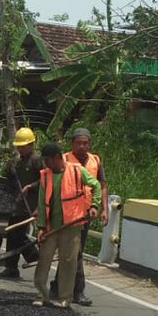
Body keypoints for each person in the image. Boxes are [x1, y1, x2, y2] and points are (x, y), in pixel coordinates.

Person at [33, 142, 101, 309]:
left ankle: (65, 298)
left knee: (68, 262)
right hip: (50, 227)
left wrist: (94, 205)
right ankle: (41, 295)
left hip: (71, 226)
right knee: (43, 260)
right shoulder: (46, 176)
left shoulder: (77, 171)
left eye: (47, 160)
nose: (45, 164)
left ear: (57, 157)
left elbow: (97, 185)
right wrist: (40, 226)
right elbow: (42, 203)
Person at [55, 127, 107, 306]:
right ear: (72, 143)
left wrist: (104, 209)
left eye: (86, 143)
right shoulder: (64, 159)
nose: (83, 146)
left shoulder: (96, 161)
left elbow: (102, 185)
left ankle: (60, 286)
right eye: (79, 143)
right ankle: (77, 290)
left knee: (74, 252)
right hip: (66, 214)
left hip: (85, 215)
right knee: (72, 252)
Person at [0, 127, 43, 278]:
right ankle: (11, 267)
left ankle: (31, 255)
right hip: (17, 204)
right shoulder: (17, 162)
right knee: (12, 234)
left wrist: (31, 187)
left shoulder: (37, 161)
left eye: (23, 146)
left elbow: (46, 181)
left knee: (17, 235)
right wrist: (8, 169)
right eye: (19, 146)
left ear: (31, 145)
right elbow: (9, 180)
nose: (20, 149)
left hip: (30, 205)